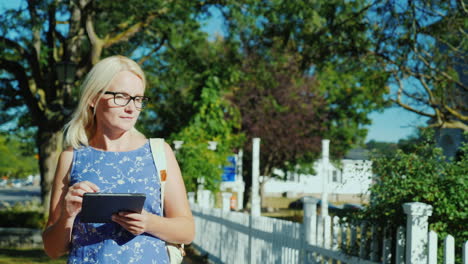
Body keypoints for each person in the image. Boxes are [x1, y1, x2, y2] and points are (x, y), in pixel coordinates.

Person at [42, 55, 195, 263]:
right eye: (121, 97)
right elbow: (52, 249)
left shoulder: (159, 152)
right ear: (93, 98)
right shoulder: (71, 158)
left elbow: (187, 231)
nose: (131, 108)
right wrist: (67, 216)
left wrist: (148, 222)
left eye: (138, 99)